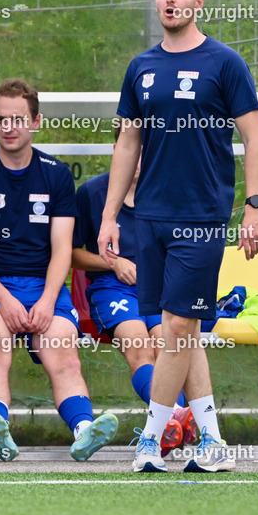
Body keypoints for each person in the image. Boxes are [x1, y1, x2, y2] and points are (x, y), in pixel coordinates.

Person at [99, 0, 258, 473]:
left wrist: (254, 206)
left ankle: (151, 441)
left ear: (198, 2)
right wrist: (110, 216)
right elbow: (128, 142)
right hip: (148, 219)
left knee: (175, 325)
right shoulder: (141, 68)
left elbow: (255, 137)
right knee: (183, 329)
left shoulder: (225, 63)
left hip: (202, 217)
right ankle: (213, 441)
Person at [0, 77, 118, 462]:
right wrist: (4, 299)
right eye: (1, 119)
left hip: (44, 288)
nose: (8, 127)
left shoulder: (56, 174)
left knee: (64, 353)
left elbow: (63, 250)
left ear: (36, 121)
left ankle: (82, 433)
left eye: (17, 119)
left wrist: (46, 301)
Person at [71, 132, 197, 455]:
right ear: (117, 150)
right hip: (111, 289)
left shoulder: (165, 194)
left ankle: (168, 423)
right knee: (139, 348)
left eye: (147, 150)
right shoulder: (92, 194)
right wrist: (113, 263)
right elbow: (71, 254)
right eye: (133, 150)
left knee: (168, 346)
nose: (139, 158)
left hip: (159, 290)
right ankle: (174, 416)